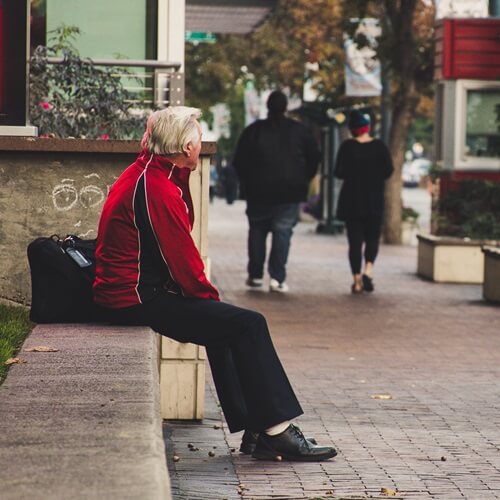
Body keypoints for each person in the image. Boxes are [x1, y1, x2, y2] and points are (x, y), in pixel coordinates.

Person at [93, 107, 337, 462]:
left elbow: (179, 236)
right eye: (198, 138)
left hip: (137, 290)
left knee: (227, 325)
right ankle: (277, 432)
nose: (202, 143)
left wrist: (213, 307)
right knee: (247, 323)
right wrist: (211, 301)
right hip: (134, 297)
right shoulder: (156, 187)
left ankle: (259, 431)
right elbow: (182, 261)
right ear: (186, 146)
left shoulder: (154, 174)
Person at [233, 90, 321, 293]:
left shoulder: (253, 131)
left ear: (268, 107)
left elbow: (239, 161)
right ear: (285, 107)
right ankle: (277, 277)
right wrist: (302, 179)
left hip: (258, 192)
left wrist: (249, 181)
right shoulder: (300, 132)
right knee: (282, 233)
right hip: (289, 192)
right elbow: (314, 158)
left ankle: (255, 275)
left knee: (257, 231)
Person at [334, 110, 394, 294]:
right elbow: (388, 171)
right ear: (367, 128)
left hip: (352, 202)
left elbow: (338, 172)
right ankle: (369, 269)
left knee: (355, 243)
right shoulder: (380, 147)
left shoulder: (347, 147)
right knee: (372, 238)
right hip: (374, 201)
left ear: (352, 130)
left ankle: (357, 281)